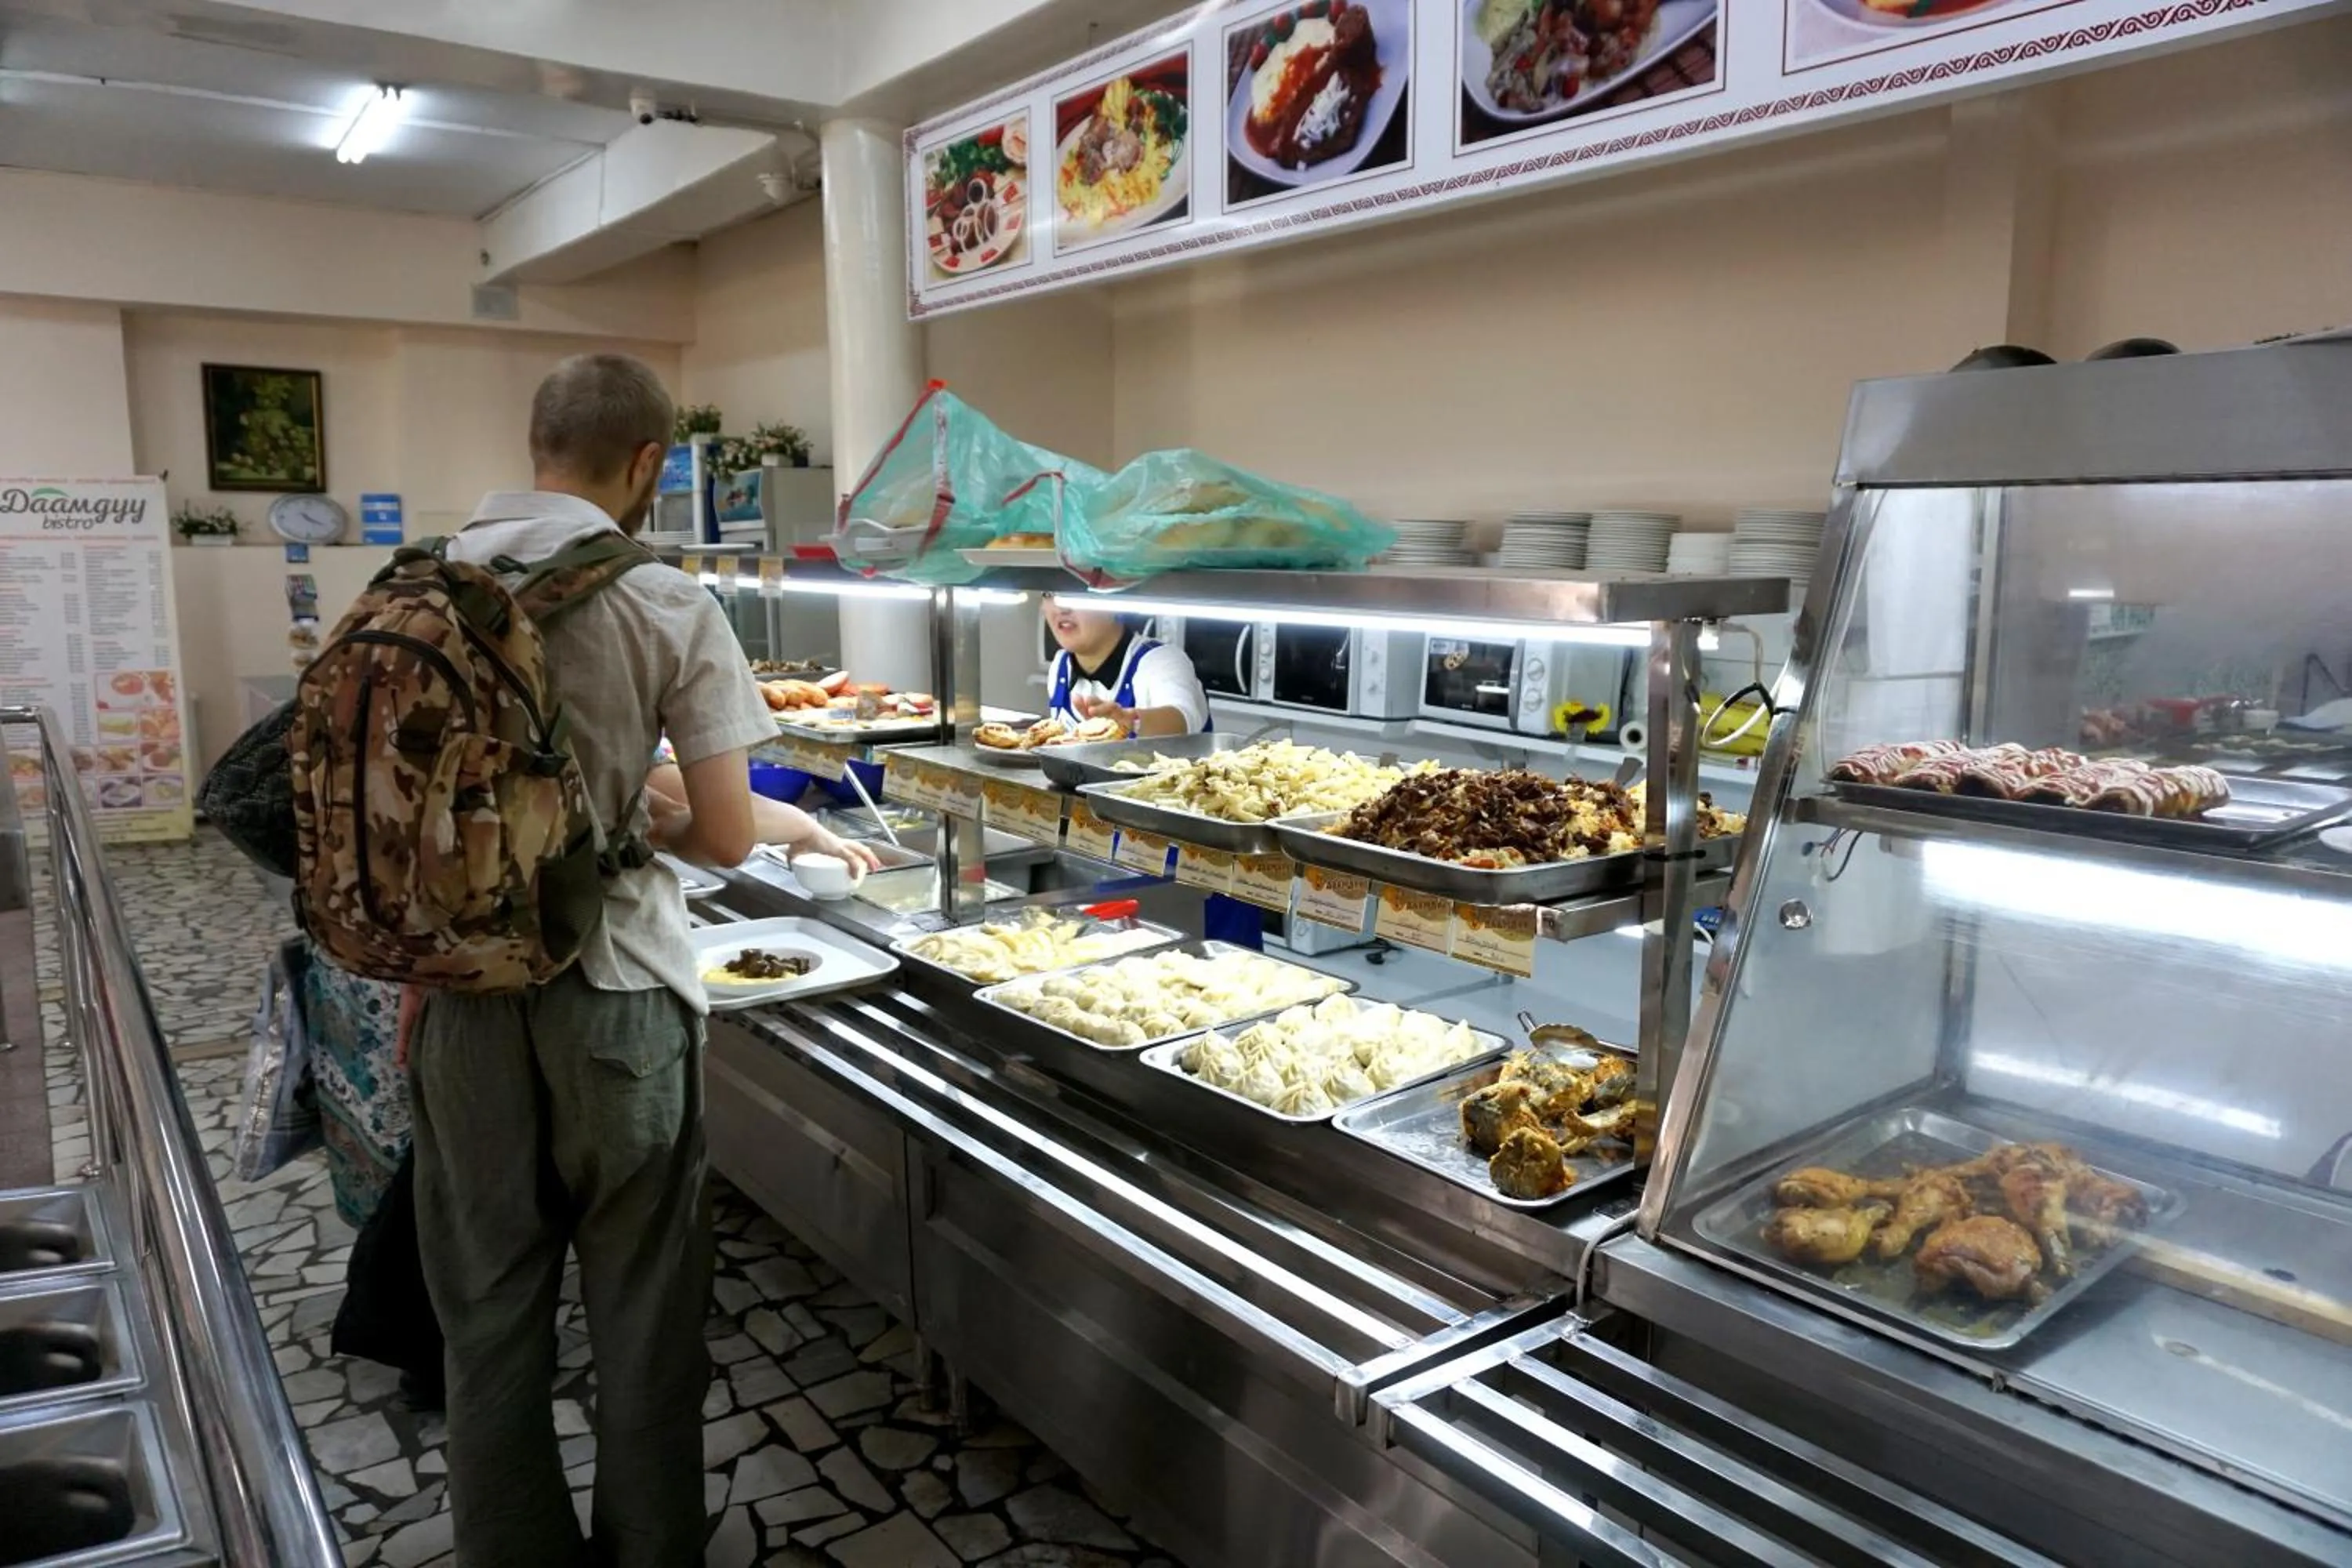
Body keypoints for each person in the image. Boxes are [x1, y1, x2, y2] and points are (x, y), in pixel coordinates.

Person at [405, 354, 868, 1568]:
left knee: (488, 1313)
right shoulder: (662, 599)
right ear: (651, 462)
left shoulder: (421, 585)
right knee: (644, 1312)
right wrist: (632, 823)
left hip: (459, 996)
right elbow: (722, 836)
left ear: (537, 443)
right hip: (613, 997)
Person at [1042, 594, 1210, 738]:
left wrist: (1130, 721)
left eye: (1075, 594)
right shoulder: (1061, 665)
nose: (1061, 607)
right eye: (1049, 594)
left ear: (1113, 603)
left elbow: (1183, 720)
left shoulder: (1162, 660)